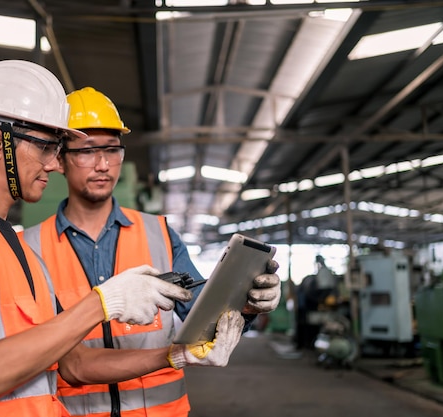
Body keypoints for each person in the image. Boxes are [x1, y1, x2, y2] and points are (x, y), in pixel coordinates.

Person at [0, 61, 247, 417]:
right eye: (45, 148)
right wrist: (103, 303)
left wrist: (177, 355)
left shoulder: (18, 248)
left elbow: (75, 364)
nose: (54, 164)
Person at [20, 86, 282, 417]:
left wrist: (247, 304)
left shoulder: (159, 233)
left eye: (112, 150)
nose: (103, 164)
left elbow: (203, 321)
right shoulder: (30, 247)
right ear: (59, 158)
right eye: (88, 150)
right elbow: (52, 361)